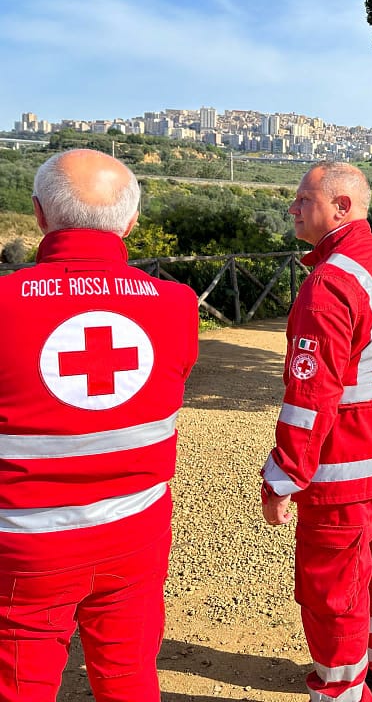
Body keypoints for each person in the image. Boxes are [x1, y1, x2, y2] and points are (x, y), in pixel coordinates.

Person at [0, 149, 199, 702]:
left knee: (20, 682)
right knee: (129, 675)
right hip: (136, 531)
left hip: (25, 543)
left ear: (39, 214)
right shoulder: (178, 304)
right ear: (130, 223)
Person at [260, 162, 372, 702]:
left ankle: (340, 692)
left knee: (332, 590)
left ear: (342, 207)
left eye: (304, 200)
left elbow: (309, 402)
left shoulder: (329, 284)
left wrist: (282, 478)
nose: (293, 208)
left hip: (342, 473)